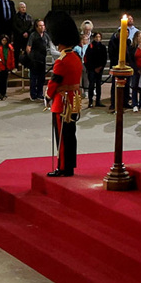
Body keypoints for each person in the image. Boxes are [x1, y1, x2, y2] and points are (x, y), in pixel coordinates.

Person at [44, 11, 84, 176]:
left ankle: (63, 167)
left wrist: (47, 96)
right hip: (74, 100)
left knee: (61, 136)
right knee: (70, 135)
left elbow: (54, 83)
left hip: (62, 102)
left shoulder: (62, 61)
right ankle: (69, 165)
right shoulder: (75, 57)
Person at [0, 34, 17, 100]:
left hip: (7, 66)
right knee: (0, 80)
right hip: (0, 66)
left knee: (5, 80)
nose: (4, 41)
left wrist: (12, 66)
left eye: (5, 40)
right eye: (3, 40)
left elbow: (12, 57)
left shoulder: (9, 47)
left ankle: (4, 93)